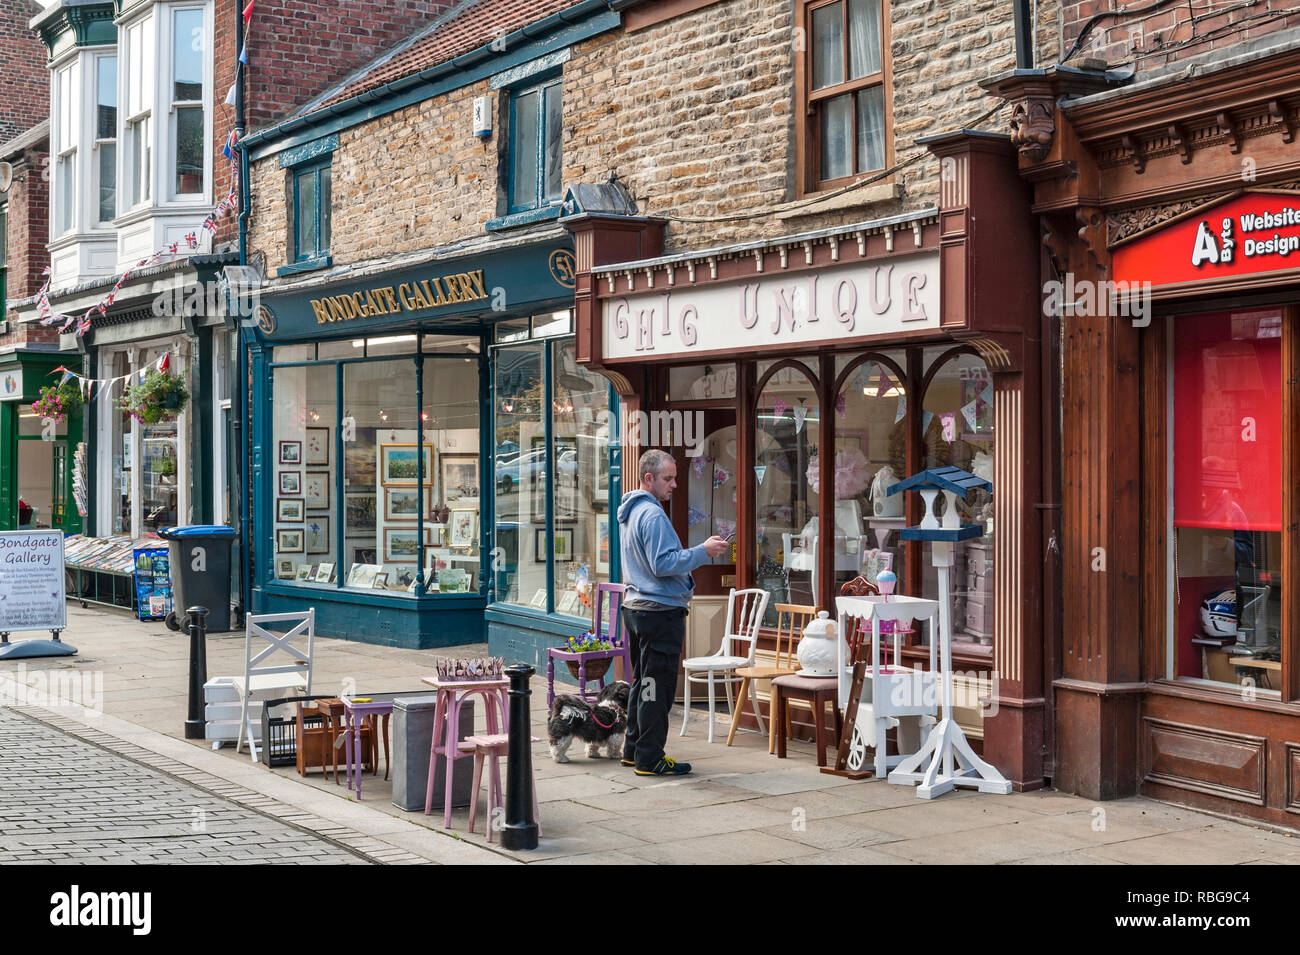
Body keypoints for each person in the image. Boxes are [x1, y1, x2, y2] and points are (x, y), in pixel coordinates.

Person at [616, 449, 729, 776]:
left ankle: (634, 749)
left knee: (643, 682)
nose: (675, 485)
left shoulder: (632, 511)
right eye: (668, 478)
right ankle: (650, 758)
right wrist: (702, 552)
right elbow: (663, 564)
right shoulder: (651, 515)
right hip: (658, 612)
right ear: (648, 478)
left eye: (676, 477)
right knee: (658, 688)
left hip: (636, 608)